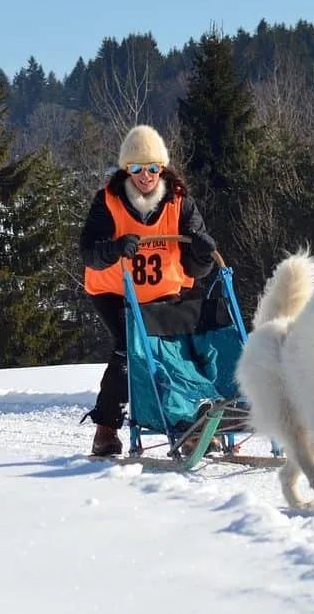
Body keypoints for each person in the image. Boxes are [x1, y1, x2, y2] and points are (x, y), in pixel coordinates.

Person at [80, 124, 217, 456]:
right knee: (129, 348)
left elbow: (197, 266)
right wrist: (114, 248)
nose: (146, 176)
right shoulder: (108, 201)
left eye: (153, 168)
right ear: (127, 169)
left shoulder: (180, 202)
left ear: (163, 169)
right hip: (115, 291)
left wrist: (202, 254)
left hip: (163, 291)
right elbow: (89, 251)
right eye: (137, 168)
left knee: (174, 352)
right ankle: (106, 428)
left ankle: (188, 424)